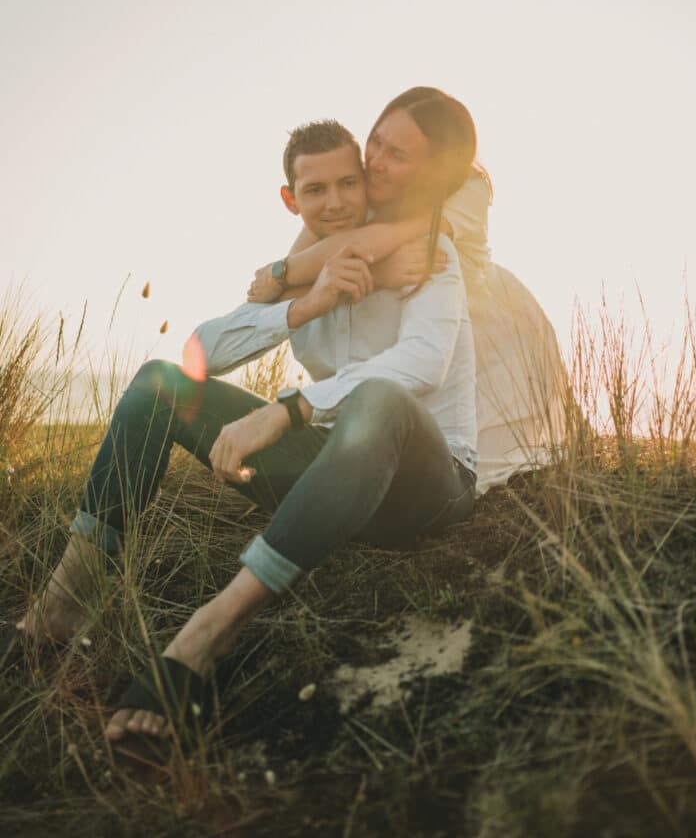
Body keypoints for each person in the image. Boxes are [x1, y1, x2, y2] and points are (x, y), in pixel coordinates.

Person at [9, 102, 478, 756]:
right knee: (155, 385)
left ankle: (205, 637)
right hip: (337, 475)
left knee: (377, 399)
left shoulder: (426, 253)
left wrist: (289, 408)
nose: (339, 198)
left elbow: (421, 366)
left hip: (426, 484)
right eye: (317, 189)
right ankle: (63, 603)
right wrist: (304, 304)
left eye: (352, 180)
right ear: (291, 199)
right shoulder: (306, 268)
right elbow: (201, 350)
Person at [248, 87, 567, 491]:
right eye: (376, 142)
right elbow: (307, 255)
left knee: (486, 460)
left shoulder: (467, 189)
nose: (376, 163)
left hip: (488, 324)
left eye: (396, 155)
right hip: (418, 319)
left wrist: (286, 273)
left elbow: (375, 240)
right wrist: (283, 273)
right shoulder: (365, 180)